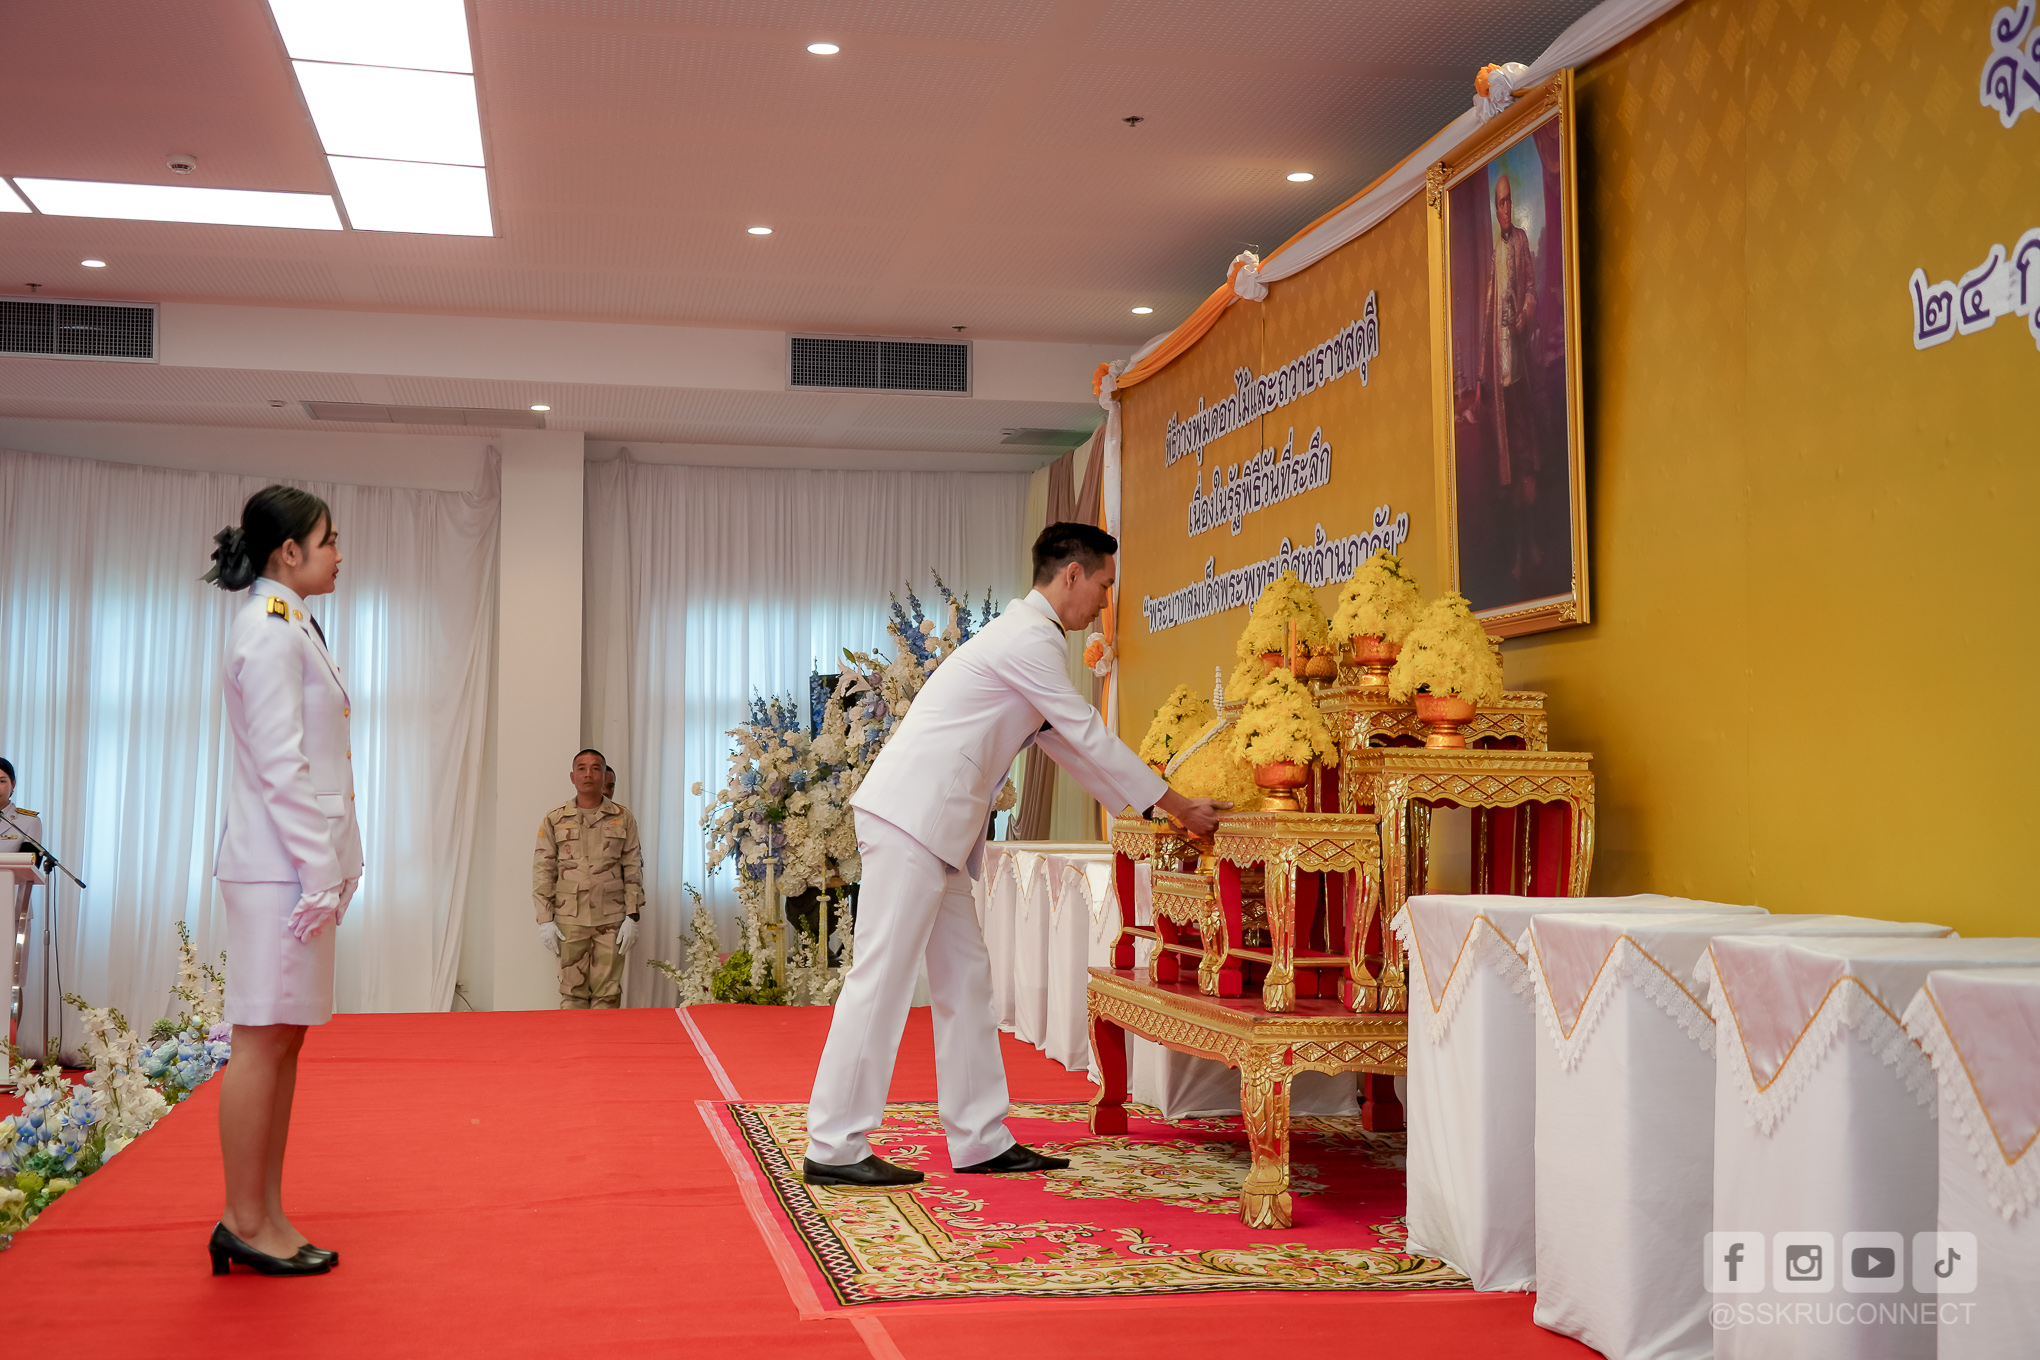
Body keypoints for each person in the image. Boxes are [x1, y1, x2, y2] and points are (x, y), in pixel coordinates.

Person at [803, 523, 1231, 1187]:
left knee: (966, 982)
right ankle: (833, 1146)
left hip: (936, 828)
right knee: (880, 981)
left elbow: (1068, 747)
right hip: (913, 820)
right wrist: (1176, 807)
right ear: (1071, 575)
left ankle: (979, 1138)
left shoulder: (1027, 638)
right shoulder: (1029, 639)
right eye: (1103, 585)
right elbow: (1089, 734)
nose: (1104, 602)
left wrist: (1154, 814)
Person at [204, 484, 360, 1277]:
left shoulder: (291, 623)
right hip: (279, 869)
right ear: (289, 551)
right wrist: (320, 868)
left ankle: (266, 1211)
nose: (339, 554)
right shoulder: (267, 631)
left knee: (284, 1039)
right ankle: (242, 1219)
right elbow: (280, 766)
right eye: (328, 541)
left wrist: (337, 863)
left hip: (295, 867)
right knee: (260, 1040)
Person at [533, 749, 643, 1007]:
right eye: (581, 768)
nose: (588, 774)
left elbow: (633, 866)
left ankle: (602, 1036)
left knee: (608, 994)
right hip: (570, 919)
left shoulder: (623, 817)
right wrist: (544, 919)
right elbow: (543, 869)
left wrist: (632, 915)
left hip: (612, 918)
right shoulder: (555, 818)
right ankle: (573, 1036)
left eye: (595, 768)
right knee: (572, 994)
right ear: (572, 776)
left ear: (605, 776)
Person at [2, 757, 45, 1048]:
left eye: (1, 781)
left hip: (12, 912)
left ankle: (7, 1052)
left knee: (10, 982)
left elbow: (30, 862)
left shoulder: (29, 821)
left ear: (13, 784)